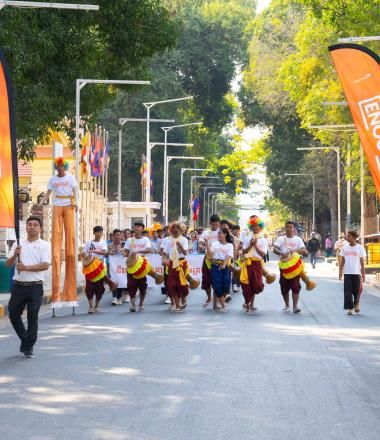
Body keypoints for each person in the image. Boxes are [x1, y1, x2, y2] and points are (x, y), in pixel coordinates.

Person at [6, 217, 51, 358]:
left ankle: (28, 347)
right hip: (19, 286)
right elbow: (8, 264)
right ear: (26, 227)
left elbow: (45, 265)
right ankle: (26, 339)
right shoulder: (18, 244)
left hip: (35, 287)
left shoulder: (44, 245)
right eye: (29, 224)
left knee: (32, 317)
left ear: (40, 228)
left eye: (35, 225)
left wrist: (26, 268)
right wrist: (15, 255)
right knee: (13, 314)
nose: (32, 227)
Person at [39, 157, 78, 309]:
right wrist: (41, 203)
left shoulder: (70, 178)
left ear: (65, 167)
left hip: (68, 205)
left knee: (70, 248)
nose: (60, 169)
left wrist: (77, 203)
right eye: (58, 167)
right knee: (56, 246)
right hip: (57, 205)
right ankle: (56, 297)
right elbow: (48, 193)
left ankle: (70, 295)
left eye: (62, 166)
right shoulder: (53, 179)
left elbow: (75, 191)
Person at [273, 221, 309, 313]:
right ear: (285, 228)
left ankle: (295, 307)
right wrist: (281, 253)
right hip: (284, 266)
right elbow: (275, 249)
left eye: (291, 227)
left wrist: (295, 250)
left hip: (295, 267)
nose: (289, 229)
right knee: (284, 286)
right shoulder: (280, 239)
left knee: (295, 286)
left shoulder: (298, 239)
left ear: (294, 229)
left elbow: (305, 252)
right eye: (287, 227)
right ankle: (287, 305)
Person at [240, 216, 268, 313]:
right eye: (253, 226)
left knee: (256, 284)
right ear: (251, 227)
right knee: (246, 285)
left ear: (260, 227)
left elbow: (263, 254)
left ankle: (251, 303)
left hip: (257, 263)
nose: (255, 228)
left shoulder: (263, 240)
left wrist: (255, 245)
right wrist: (250, 245)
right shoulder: (247, 238)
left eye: (257, 226)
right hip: (247, 263)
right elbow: (243, 251)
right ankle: (248, 304)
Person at [125, 222, 152, 312]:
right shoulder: (129, 240)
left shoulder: (146, 239)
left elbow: (148, 250)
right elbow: (126, 251)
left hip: (141, 265)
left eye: (138, 227)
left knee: (142, 286)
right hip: (132, 265)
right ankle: (133, 304)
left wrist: (137, 251)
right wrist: (123, 253)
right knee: (131, 285)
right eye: (135, 226)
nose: (136, 228)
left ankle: (141, 303)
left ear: (142, 228)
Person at [163, 222, 190, 312]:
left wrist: (179, 246)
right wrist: (164, 260)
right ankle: (177, 305)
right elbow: (165, 252)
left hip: (181, 264)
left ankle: (183, 299)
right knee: (172, 285)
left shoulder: (184, 240)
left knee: (182, 285)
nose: (175, 231)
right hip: (172, 264)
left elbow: (185, 252)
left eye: (177, 230)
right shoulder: (169, 240)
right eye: (173, 230)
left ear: (181, 231)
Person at [205, 227, 234, 312]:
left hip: (225, 267)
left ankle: (220, 301)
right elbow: (210, 253)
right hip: (215, 266)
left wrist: (224, 265)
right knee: (217, 285)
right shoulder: (215, 244)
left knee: (226, 286)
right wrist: (207, 243)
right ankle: (223, 304)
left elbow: (228, 256)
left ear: (225, 234)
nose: (218, 235)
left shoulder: (230, 245)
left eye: (220, 233)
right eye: (218, 233)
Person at [82, 226, 110, 313]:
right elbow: (83, 252)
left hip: (99, 267)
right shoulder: (88, 243)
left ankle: (97, 305)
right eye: (97, 232)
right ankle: (91, 307)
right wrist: (86, 256)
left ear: (102, 233)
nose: (99, 233)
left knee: (99, 288)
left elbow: (105, 252)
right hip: (89, 268)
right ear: (94, 233)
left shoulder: (103, 243)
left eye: (100, 232)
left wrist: (94, 252)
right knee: (89, 288)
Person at [339, 230, 366, 315]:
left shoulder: (360, 248)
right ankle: (350, 308)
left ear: (354, 237)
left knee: (356, 291)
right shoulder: (345, 247)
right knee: (348, 291)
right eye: (347, 236)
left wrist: (363, 274)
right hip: (347, 273)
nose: (347, 237)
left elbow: (362, 262)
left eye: (349, 236)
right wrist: (340, 272)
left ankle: (356, 304)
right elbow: (342, 260)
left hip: (357, 273)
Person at [198, 214, 220, 308]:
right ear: (210, 223)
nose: (215, 226)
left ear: (219, 223)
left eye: (216, 224)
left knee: (217, 281)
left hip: (219, 260)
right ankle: (209, 297)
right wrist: (202, 246)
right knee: (206, 280)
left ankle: (217, 302)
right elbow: (200, 244)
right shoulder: (205, 233)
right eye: (213, 224)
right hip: (207, 259)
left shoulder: (222, 232)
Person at [108, 229, 128, 306]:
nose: (117, 236)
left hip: (122, 267)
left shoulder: (125, 244)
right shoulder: (109, 245)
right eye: (115, 235)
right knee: (114, 280)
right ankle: (114, 297)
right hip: (113, 266)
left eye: (119, 235)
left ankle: (119, 297)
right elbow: (107, 255)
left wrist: (121, 250)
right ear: (113, 236)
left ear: (121, 236)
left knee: (121, 280)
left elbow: (126, 254)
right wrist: (111, 251)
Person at [231, 224, 241, 292]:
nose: (235, 231)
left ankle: (238, 284)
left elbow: (238, 248)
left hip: (238, 257)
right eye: (233, 230)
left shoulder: (238, 238)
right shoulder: (231, 238)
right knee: (234, 271)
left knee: (238, 271)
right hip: (232, 257)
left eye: (236, 230)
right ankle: (234, 285)